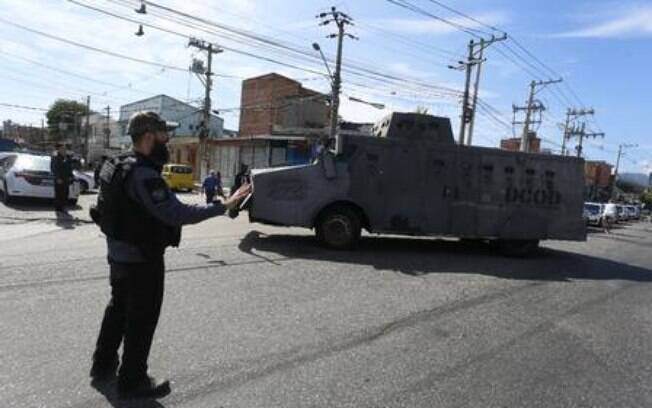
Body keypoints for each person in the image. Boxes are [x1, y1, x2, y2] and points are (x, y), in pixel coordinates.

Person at [89, 111, 250, 400]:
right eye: (165, 134)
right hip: (142, 260)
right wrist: (224, 205)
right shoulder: (143, 174)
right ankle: (133, 379)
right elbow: (175, 213)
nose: (168, 140)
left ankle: (102, 365)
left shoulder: (117, 165)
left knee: (117, 310)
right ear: (150, 136)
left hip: (118, 256)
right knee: (141, 319)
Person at [50, 143, 73, 212]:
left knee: (65, 193)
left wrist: (71, 176)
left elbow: (69, 168)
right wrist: (57, 178)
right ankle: (59, 208)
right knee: (59, 194)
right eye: (63, 148)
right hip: (59, 179)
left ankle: (62, 207)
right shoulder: (55, 157)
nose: (64, 150)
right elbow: (54, 168)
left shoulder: (67, 157)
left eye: (65, 149)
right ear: (59, 149)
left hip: (66, 179)